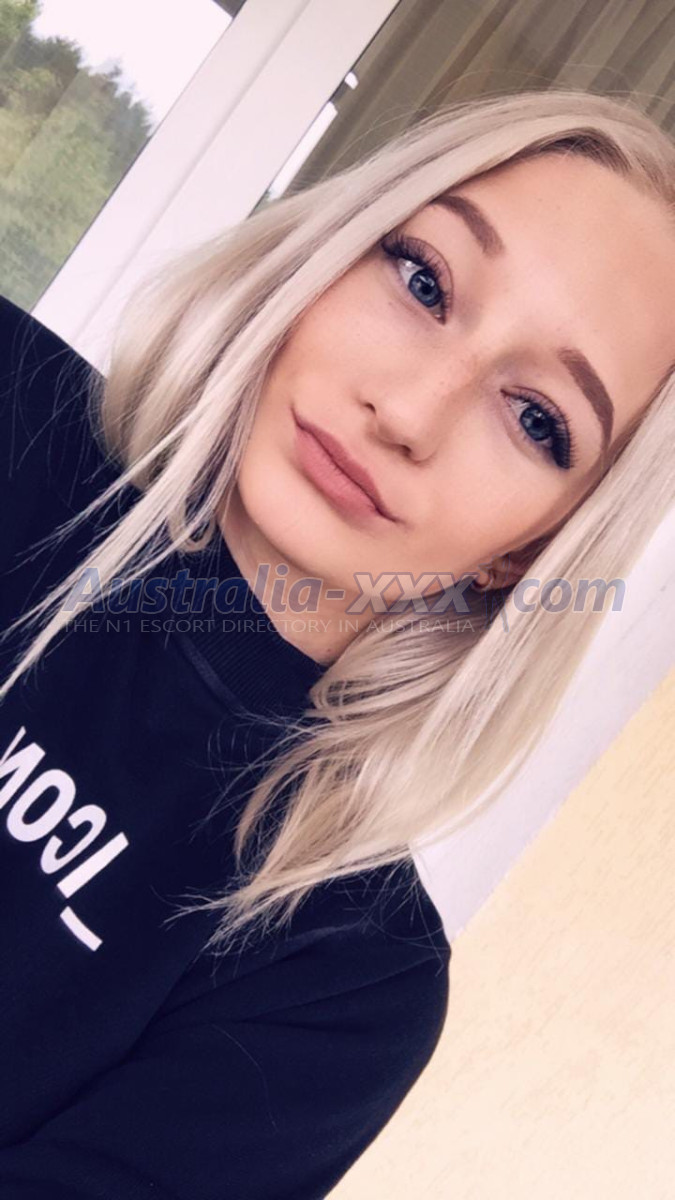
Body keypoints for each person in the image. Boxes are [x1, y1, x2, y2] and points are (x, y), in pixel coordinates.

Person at [0, 85, 674, 1197]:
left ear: (531, 549)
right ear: (332, 255)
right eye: (424, 281)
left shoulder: (345, 973)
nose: (408, 413)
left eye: (536, 420)